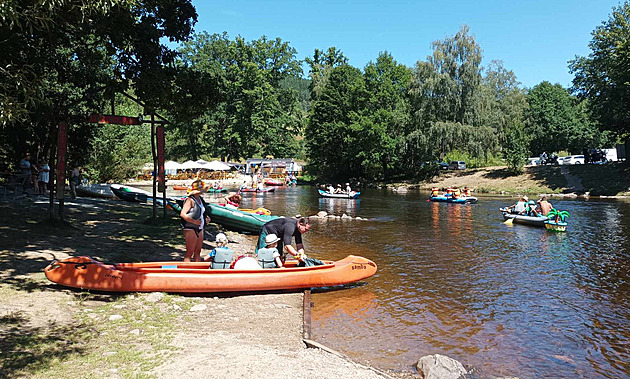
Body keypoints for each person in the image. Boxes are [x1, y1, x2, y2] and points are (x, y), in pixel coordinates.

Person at [179, 179, 211, 262]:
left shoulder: (200, 199)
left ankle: (197, 269)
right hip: (190, 227)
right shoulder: (190, 200)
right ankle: (186, 271)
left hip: (200, 227)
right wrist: (194, 222)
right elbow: (183, 214)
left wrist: (206, 218)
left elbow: (201, 212)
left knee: (198, 251)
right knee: (190, 252)